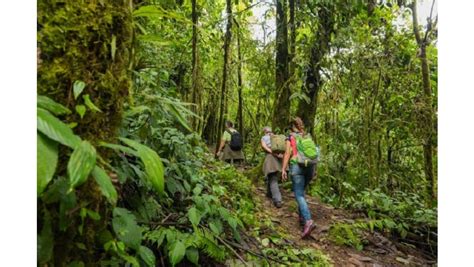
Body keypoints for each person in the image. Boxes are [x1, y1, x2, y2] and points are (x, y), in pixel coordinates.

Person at [281, 117, 316, 238]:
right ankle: (302, 218)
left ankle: (308, 220)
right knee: (302, 192)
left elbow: (287, 153)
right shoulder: (307, 136)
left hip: (297, 166)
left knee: (299, 194)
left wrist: (283, 169)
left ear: (291, 126)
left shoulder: (290, 136)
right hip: (310, 167)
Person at [261, 126, 283, 208]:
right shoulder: (277, 137)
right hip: (280, 159)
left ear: (265, 131)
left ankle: (277, 200)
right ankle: (269, 193)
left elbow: (263, 146)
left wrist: (271, 151)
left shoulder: (264, 137)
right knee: (272, 176)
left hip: (271, 158)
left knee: (273, 178)